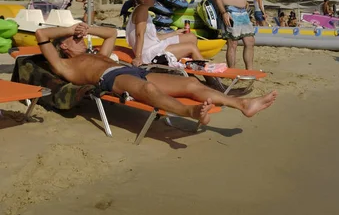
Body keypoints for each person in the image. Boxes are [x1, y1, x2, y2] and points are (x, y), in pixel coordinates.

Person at [34, 24, 277, 127]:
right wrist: (68, 30)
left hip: (133, 70)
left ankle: (242, 103)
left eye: (79, 36)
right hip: (109, 78)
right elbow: (40, 34)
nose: (79, 39)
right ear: (64, 46)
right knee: (149, 92)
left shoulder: (95, 52)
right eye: (74, 39)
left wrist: (85, 29)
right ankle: (189, 112)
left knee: (190, 83)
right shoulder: (64, 65)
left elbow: (109, 34)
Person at [126, 0, 204, 67]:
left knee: (191, 37)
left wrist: (174, 33)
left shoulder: (141, 10)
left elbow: (155, 37)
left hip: (155, 45)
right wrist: (138, 57)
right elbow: (139, 34)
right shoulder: (141, 11)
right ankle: (208, 72)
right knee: (192, 47)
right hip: (149, 53)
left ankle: (189, 64)